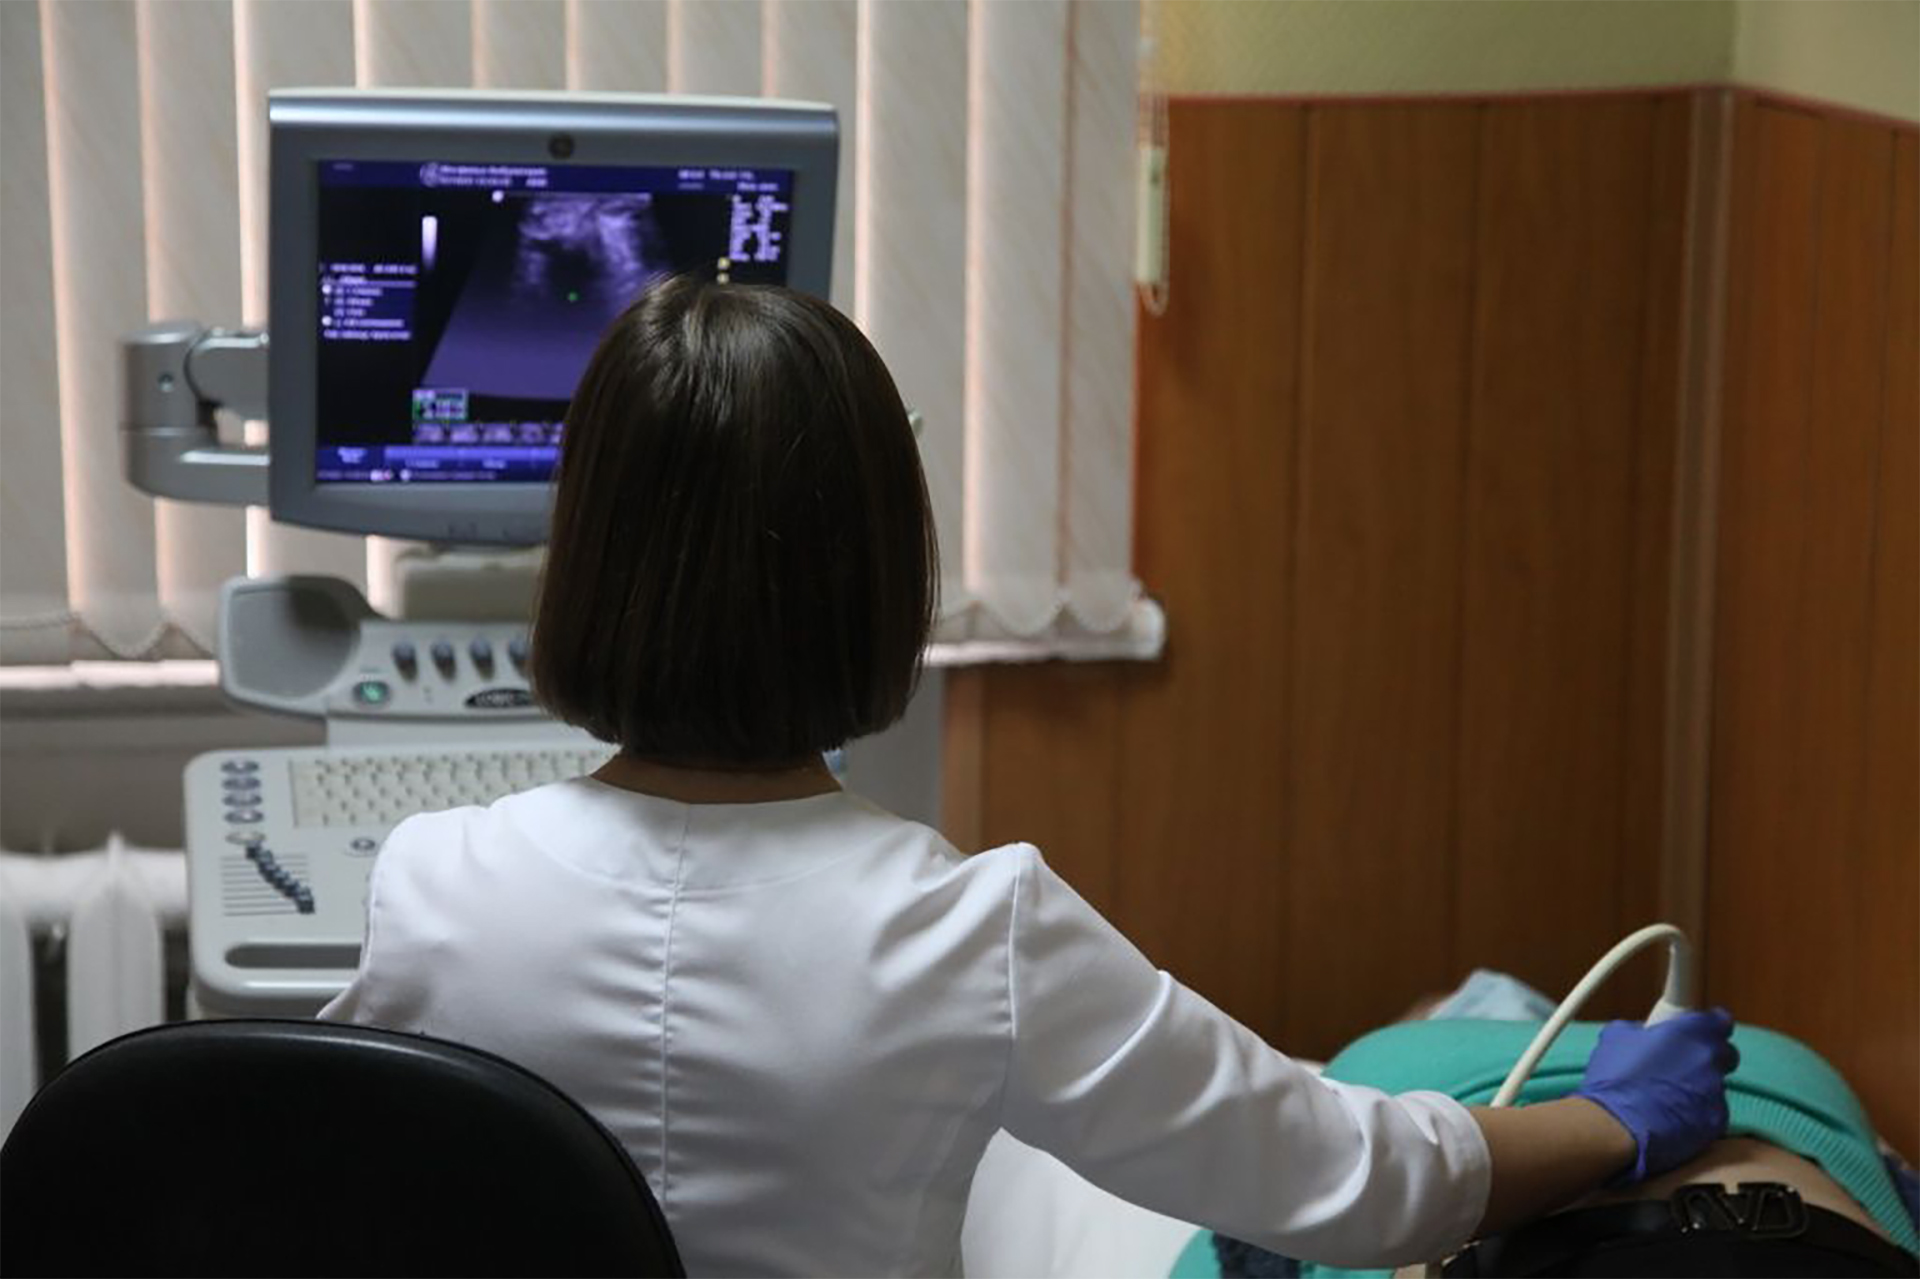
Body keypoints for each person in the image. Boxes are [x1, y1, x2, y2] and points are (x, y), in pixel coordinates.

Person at [319, 276, 1737, 1277]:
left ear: (583, 564)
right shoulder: (972, 930)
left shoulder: (436, 887)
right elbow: (1360, 1185)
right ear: (880, 580)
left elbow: (303, 1158)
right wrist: (1611, 1121)